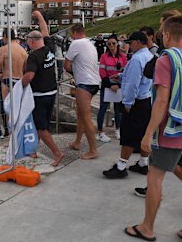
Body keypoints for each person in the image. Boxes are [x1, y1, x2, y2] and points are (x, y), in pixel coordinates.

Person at [124, 14, 182, 242]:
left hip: (169, 132)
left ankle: (147, 227)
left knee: (154, 178)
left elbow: (162, 101)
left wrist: (147, 133)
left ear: (165, 35)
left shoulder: (166, 60)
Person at [102, 31, 153, 179]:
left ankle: (121, 166)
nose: (128, 45)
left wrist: (127, 103)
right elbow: (141, 77)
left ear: (137, 42)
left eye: (130, 43)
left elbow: (133, 83)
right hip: (146, 100)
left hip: (135, 101)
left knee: (129, 134)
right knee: (143, 132)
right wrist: (121, 76)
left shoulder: (137, 59)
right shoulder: (149, 56)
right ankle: (143, 163)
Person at [21, 11, 64, 167]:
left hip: (40, 95)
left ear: (32, 41)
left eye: (27, 42)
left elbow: (29, 76)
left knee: (40, 126)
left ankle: (57, 153)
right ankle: (34, 149)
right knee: (40, 122)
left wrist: (19, 86)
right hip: (52, 92)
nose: (27, 44)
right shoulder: (49, 47)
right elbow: (45, 31)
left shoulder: (34, 56)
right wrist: (39, 17)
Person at [65, 23, 101, 159]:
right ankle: (77, 142)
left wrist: (74, 71)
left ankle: (93, 150)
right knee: (80, 114)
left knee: (86, 118)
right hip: (94, 82)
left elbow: (66, 65)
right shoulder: (90, 43)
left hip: (84, 84)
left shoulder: (76, 43)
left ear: (74, 33)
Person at [96, 34, 128, 142]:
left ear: (117, 44)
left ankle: (118, 129)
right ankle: (100, 132)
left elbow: (125, 72)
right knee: (103, 109)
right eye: (109, 43)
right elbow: (102, 72)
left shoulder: (123, 57)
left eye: (113, 43)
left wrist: (118, 85)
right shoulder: (104, 57)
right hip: (107, 86)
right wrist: (110, 85)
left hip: (119, 86)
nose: (111, 45)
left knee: (118, 110)